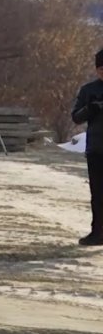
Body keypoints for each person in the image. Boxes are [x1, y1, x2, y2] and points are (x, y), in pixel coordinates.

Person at [71, 49, 103, 245]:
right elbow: (76, 117)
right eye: (101, 69)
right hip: (96, 149)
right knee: (98, 194)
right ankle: (97, 232)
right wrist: (90, 109)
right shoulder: (88, 90)